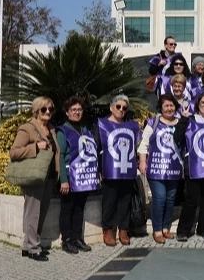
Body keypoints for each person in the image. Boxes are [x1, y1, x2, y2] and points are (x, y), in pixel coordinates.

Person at [10, 96, 59, 261]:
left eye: (50, 109)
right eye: (44, 109)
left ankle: (27, 246)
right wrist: (35, 147)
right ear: (36, 111)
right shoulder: (27, 128)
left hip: (48, 176)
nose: (48, 112)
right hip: (34, 176)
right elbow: (14, 152)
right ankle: (33, 247)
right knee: (33, 213)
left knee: (41, 213)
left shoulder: (51, 128)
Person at [95, 95, 141, 247]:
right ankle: (108, 230)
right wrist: (98, 170)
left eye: (124, 108)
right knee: (109, 201)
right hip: (109, 171)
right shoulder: (101, 125)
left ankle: (123, 230)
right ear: (111, 107)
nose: (121, 110)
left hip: (127, 170)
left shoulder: (132, 126)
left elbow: (138, 146)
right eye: (118, 106)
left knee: (125, 201)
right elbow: (96, 148)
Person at [174, 92, 204, 241]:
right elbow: (177, 138)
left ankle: (203, 229)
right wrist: (183, 119)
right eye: (203, 103)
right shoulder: (189, 120)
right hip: (194, 167)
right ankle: (183, 231)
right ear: (198, 104)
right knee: (191, 200)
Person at [138, 95, 183, 244]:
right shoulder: (153, 122)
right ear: (161, 108)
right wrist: (142, 161)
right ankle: (157, 230)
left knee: (170, 199)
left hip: (174, 168)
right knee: (160, 198)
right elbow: (144, 143)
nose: (169, 108)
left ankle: (165, 228)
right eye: (166, 106)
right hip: (156, 168)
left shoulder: (180, 123)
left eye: (172, 105)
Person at [57, 96, 98, 255]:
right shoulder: (63, 131)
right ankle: (67, 240)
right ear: (67, 112)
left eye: (79, 109)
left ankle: (77, 238)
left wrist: (96, 173)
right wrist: (63, 180)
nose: (77, 112)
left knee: (79, 208)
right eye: (73, 110)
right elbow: (60, 156)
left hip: (84, 177)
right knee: (67, 208)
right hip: (70, 177)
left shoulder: (86, 130)